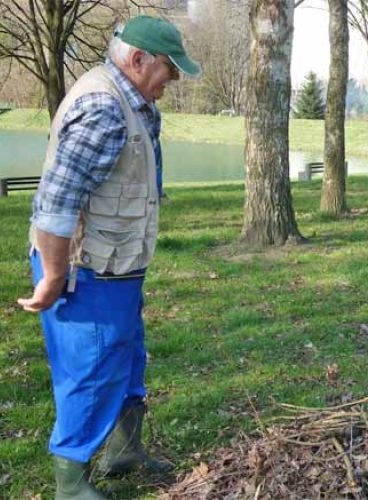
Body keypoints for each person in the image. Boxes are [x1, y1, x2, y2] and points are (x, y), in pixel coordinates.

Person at [17, 15, 199, 499]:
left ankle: (124, 450)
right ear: (138, 59)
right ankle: (71, 483)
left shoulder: (135, 101)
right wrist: (53, 275)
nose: (173, 81)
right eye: (169, 69)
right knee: (91, 372)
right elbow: (56, 202)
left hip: (117, 268)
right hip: (87, 272)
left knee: (126, 357)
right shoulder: (104, 107)